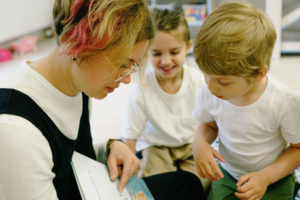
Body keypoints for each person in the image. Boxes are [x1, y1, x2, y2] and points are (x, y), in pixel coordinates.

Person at [0, 1, 204, 200]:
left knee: (187, 183)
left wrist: (110, 147)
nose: (126, 79)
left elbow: (66, 159)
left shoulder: (77, 81)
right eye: (122, 64)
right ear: (78, 45)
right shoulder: (15, 132)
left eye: (131, 66)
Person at [191, 1, 300, 200]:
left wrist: (266, 177)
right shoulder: (212, 91)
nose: (211, 87)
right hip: (228, 175)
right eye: (206, 75)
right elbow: (208, 125)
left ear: (259, 73)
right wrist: (199, 143)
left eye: (223, 82)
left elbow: (298, 149)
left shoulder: (285, 102)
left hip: (274, 179)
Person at [122, 8, 210, 193]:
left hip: (191, 144)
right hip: (156, 147)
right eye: (156, 53)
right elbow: (130, 137)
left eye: (174, 52)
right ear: (146, 51)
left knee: (199, 186)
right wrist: (127, 175)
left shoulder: (199, 82)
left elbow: (213, 121)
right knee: (159, 187)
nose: (166, 61)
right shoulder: (141, 88)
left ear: (187, 47)